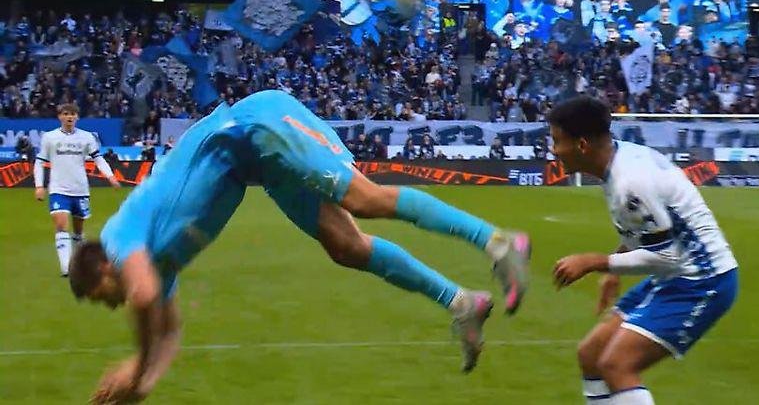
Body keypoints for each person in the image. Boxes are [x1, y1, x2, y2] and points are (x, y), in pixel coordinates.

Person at [69, 90, 532, 404]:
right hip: (258, 163)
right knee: (346, 247)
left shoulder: (118, 236)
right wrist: (144, 384)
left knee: (364, 199)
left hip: (256, 125)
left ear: (102, 269)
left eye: (99, 297)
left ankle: (497, 241)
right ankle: (461, 302)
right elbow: (169, 332)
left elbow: (144, 298)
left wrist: (136, 365)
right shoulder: (158, 265)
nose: (110, 306)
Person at [547, 96, 738, 404]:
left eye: (557, 141)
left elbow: (666, 255)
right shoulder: (620, 160)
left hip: (703, 280)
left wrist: (596, 262)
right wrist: (615, 267)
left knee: (617, 364)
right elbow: (650, 231)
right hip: (675, 275)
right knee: (591, 354)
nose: (553, 151)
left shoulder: (629, 181)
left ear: (582, 145)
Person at [34, 103, 120, 277]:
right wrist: (39, 186)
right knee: (61, 224)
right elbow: (39, 162)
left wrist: (110, 176)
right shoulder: (50, 137)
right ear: (60, 116)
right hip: (58, 188)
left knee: (78, 231)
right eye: (66, 114)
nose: (69, 117)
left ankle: (80, 259)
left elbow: (98, 159)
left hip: (80, 189)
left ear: (77, 117)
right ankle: (66, 267)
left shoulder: (87, 137)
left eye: (73, 114)